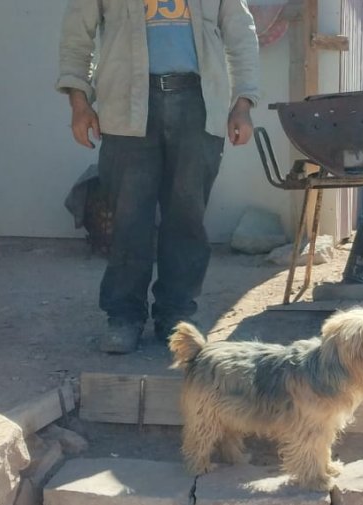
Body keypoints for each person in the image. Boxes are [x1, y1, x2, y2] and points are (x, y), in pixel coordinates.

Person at [57, 0, 260, 353]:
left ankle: (177, 316)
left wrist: (243, 104)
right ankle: (124, 317)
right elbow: (78, 33)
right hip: (126, 103)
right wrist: (80, 102)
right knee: (128, 218)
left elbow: (241, 34)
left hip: (197, 102)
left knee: (187, 218)